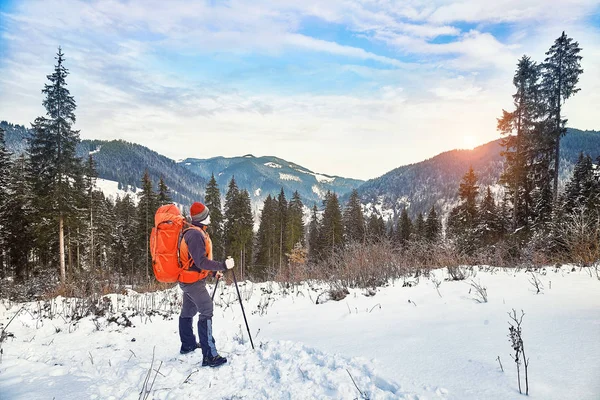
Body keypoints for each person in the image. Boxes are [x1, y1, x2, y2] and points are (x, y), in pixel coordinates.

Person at [178, 201, 234, 367]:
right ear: (203, 219)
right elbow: (201, 261)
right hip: (192, 282)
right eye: (207, 215)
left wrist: (213, 271)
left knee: (189, 310)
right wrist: (222, 265)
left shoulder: (193, 232)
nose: (210, 217)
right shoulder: (195, 235)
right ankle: (210, 355)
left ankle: (187, 344)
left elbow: (193, 261)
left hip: (187, 279)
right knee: (206, 309)